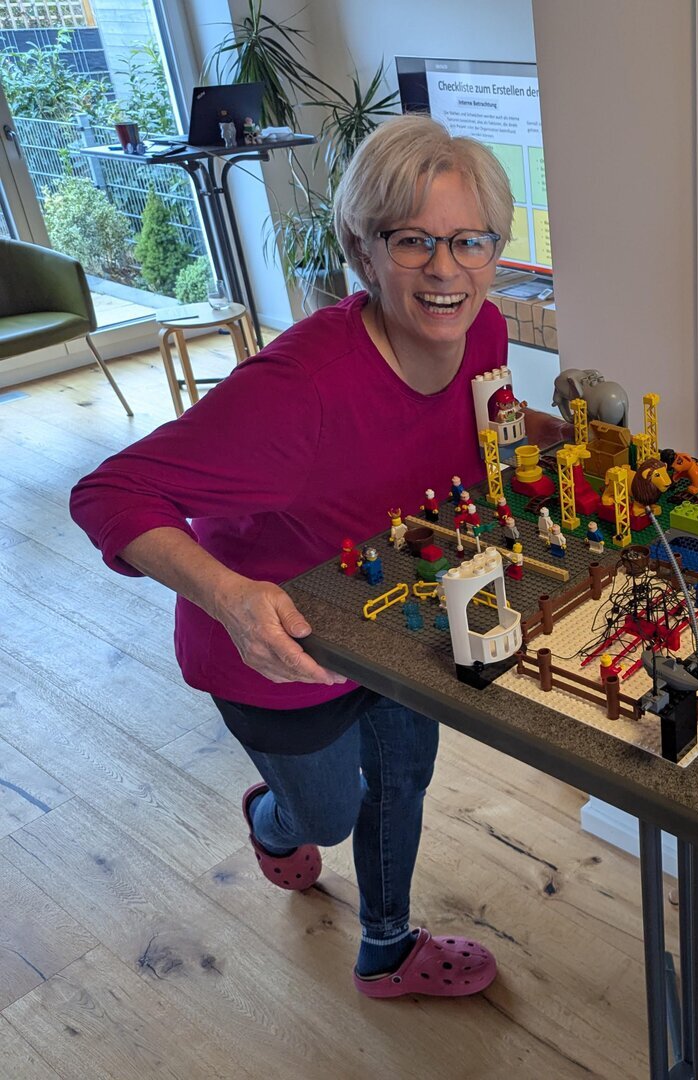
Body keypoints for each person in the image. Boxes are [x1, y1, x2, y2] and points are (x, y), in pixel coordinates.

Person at [70, 115, 570, 1001]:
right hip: (280, 653)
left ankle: (387, 945)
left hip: (402, 618)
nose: (446, 270)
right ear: (363, 250)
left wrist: (539, 430)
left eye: (470, 241)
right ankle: (273, 821)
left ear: (496, 250)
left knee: (404, 779)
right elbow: (109, 492)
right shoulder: (298, 392)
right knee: (327, 816)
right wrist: (230, 595)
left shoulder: (484, 331)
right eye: (412, 240)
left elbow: (467, 422)